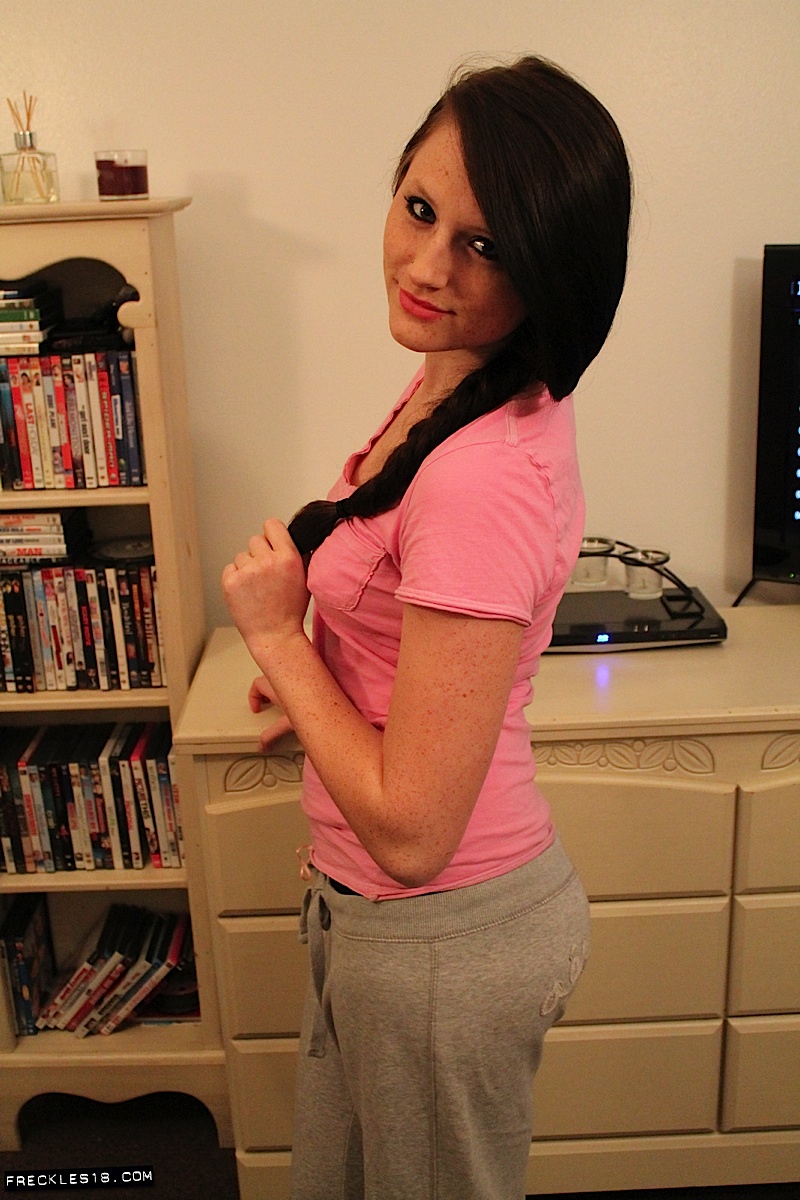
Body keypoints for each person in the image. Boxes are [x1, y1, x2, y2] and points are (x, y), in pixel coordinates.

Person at [222, 54, 631, 1200]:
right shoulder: (452, 381)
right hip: (388, 927)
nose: (426, 265)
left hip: (439, 938)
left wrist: (279, 641)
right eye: (417, 209)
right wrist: (327, 683)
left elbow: (411, 834)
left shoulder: (479, 477)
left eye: (483, 244)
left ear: (551, 267)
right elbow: (406, 622)